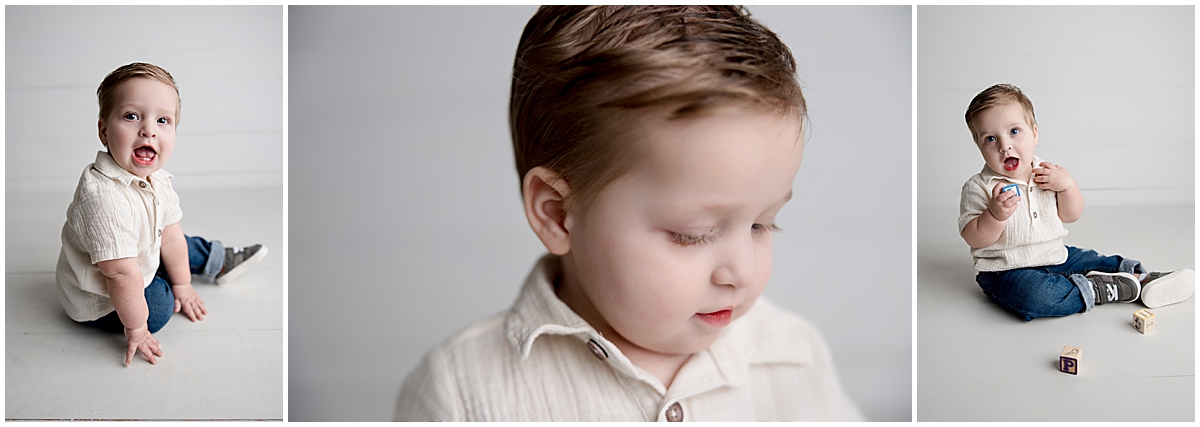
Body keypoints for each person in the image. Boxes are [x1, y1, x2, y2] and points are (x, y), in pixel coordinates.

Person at [395, 6, 862, 421]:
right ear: (558, 214)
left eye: (762, 223)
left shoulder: (792, 358)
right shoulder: (459, 393)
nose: (743, 271)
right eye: (692, 234)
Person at [55, 62, 267, 367]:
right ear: (103, 131)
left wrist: (183, 283)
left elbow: (170, 236)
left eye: (163, 120)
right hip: (101, 298)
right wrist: (137, 329)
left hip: (135, 260)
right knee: (158, 304)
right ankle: (170, 279)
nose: (149, 129)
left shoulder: (158, 179)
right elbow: (121, 275)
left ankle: (215, 260)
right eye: (131, 116)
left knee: (177, 239)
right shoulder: (101, 198)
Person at [959, 83, 1194, 321]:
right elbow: (973, 236)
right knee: (1033, 296)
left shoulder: (1048, 173)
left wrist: (1067, 187)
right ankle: (1096, 289)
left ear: (1035, 133)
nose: (1004, 145)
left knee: (1091, 259)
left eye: (1014, 131)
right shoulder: (980, 187)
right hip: (1006, 271)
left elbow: (1071, 215)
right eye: (990, 138)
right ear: (979, 146)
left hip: (1055, 255)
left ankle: (1141, 279)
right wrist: (995, 215)